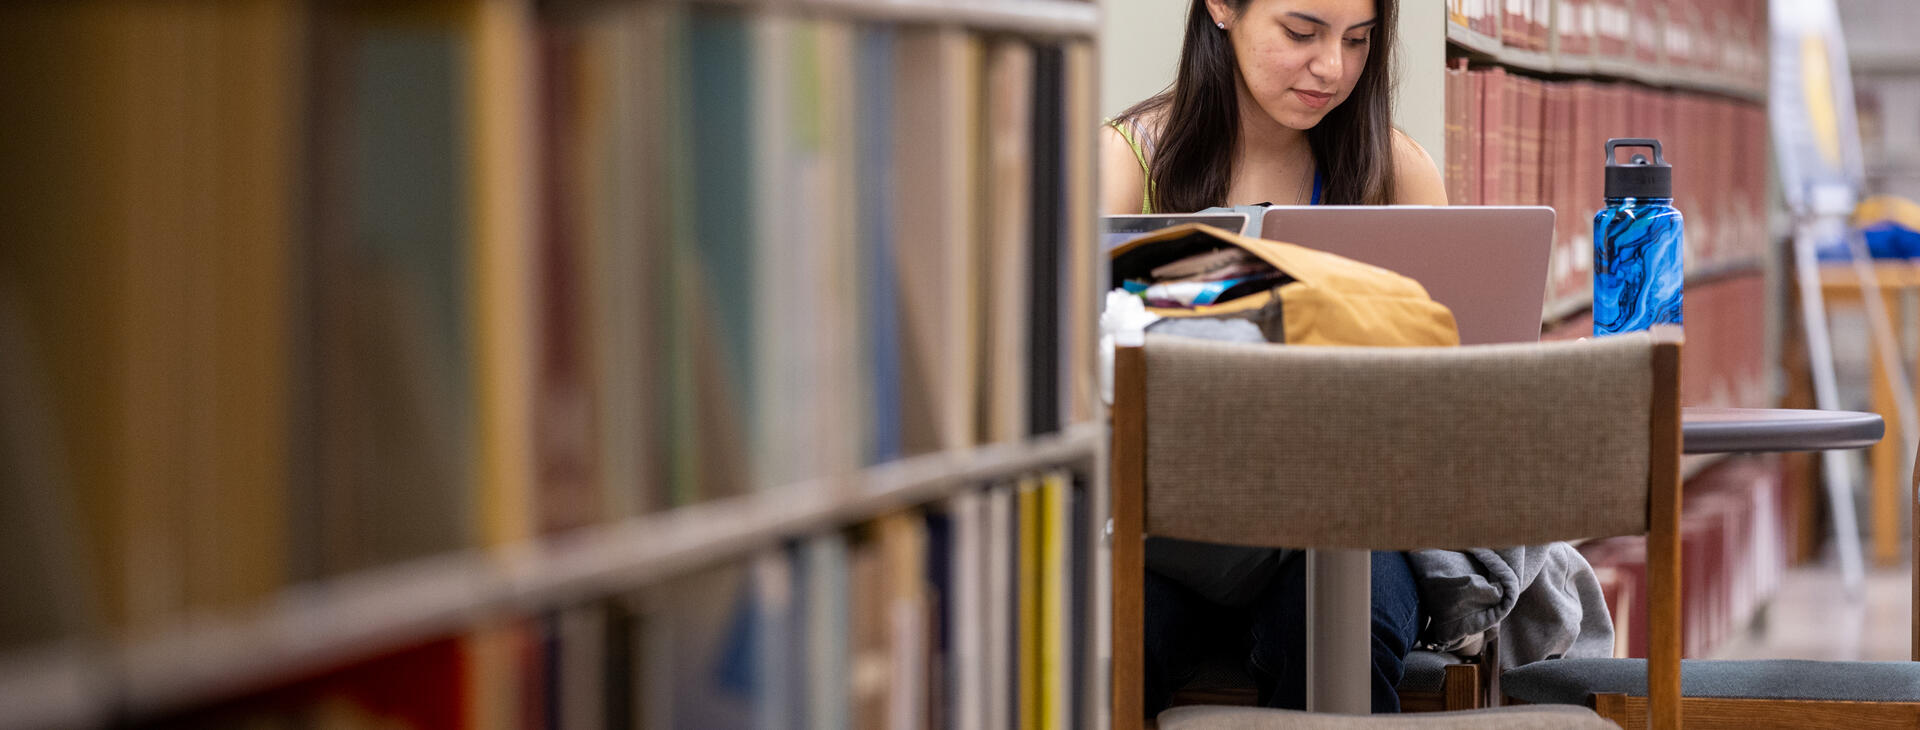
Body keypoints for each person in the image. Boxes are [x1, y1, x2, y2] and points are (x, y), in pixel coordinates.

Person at [1100, 0, 1445, 716]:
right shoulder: (1126, 160)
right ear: (1221, 7)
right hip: (1171, 527)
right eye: (1301, 32)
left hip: (1348, 523)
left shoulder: (1396, 171)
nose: (1334, 68)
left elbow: (1447, 388)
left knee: (1344, 626)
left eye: (1358, 41)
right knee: (1112, 636)